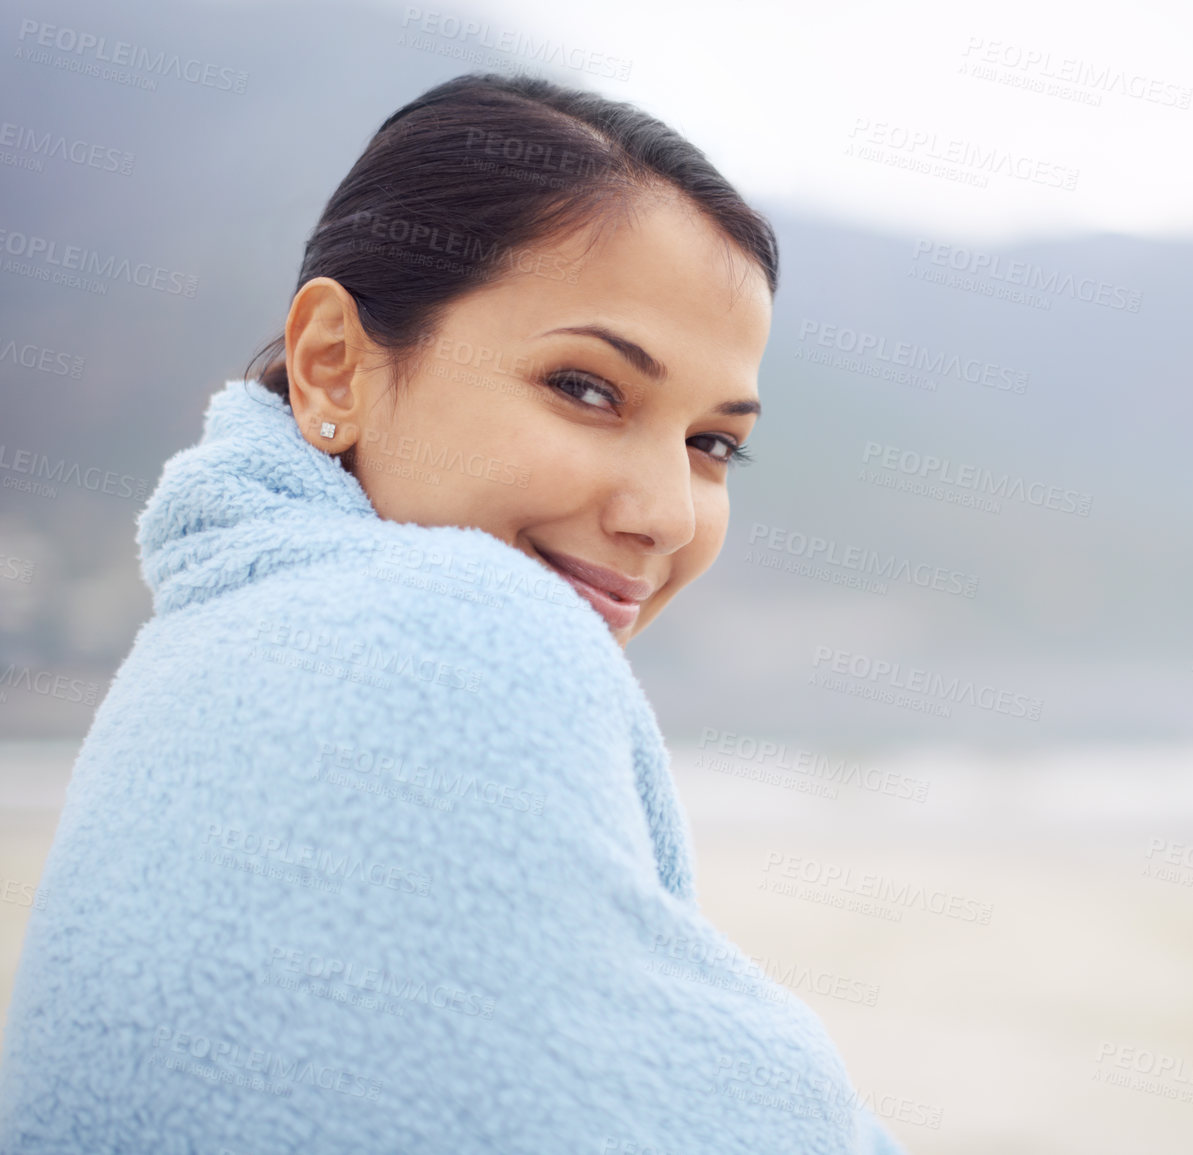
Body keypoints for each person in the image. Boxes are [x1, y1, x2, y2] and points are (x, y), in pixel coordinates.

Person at [0, 72, 905, 1155]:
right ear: (333, 364)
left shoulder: (203, 650)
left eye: (711, 444)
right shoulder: (462, 626)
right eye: (586, 387)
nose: (666, 514)